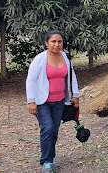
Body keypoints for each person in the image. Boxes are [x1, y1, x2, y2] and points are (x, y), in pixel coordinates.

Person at [26, 30, 80, 173]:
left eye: (59, 41)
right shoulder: (40, 59)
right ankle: (46, 161)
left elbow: (71, 77)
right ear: (46, 43)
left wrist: (75, 95)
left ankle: (50, 159)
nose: (57, 44)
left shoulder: (65, 58)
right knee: (48, 128)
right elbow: (30, 80)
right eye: (53, 41)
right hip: (42, 101)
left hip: (60, 101)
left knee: (54, 130)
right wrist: (31, 101)